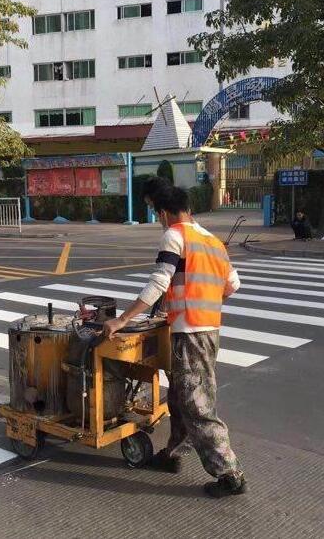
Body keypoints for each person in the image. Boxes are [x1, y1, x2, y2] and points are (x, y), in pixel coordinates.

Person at [103, 186, 246, 498]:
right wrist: (202, 298)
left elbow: (159, 281)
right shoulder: (211, 240)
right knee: (181, 397)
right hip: (207, 330)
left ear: (164, 212)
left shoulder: (174, 235)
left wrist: (122, 319)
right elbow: (233, 284)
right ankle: (174, 455)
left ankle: (230, 474)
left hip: (190, 331)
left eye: (157, 213)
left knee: (198, 405)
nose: (158, 219)